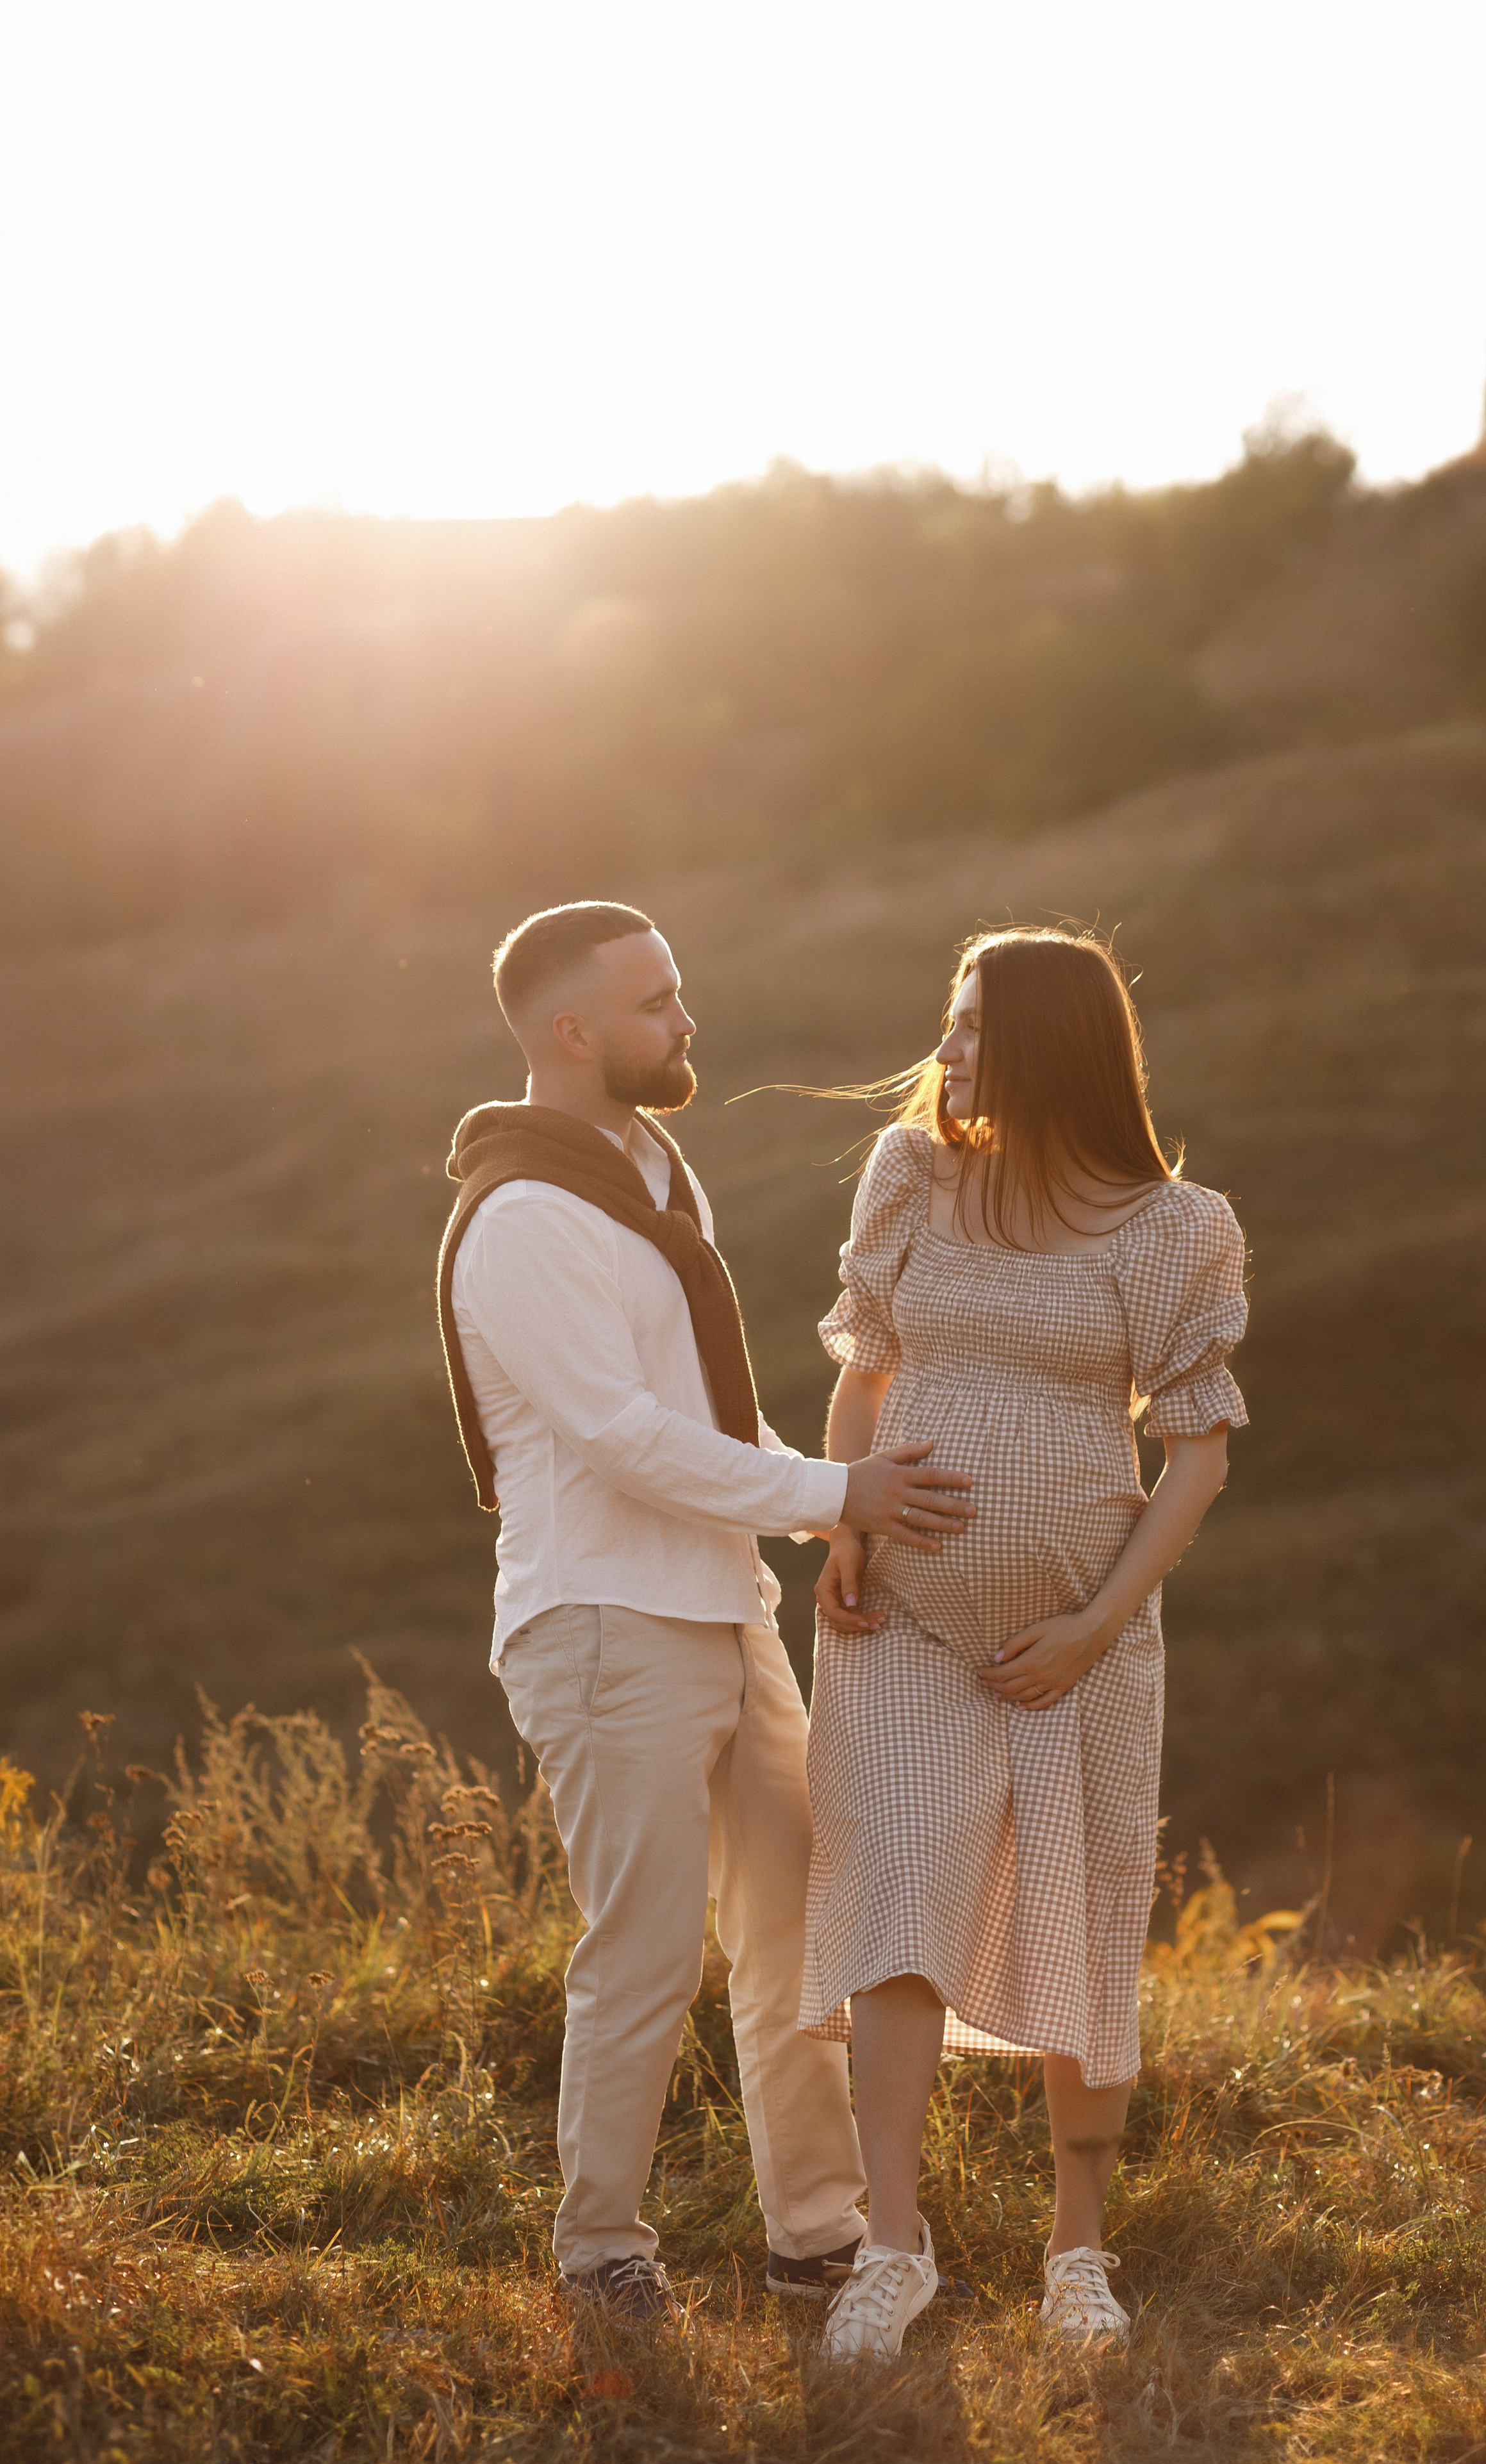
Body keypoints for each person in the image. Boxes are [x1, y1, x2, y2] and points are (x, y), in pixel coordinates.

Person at [435, 900, 977, 2320]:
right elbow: (618, 1437)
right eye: (655, 1003)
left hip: (720, 1606)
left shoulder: (656, 1178)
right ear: (573, 1032)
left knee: (797, 1928)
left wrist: (808, 1518)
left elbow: (690, 1415)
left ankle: (816, 2236)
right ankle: (601, 2251)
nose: (686, 1022)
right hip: (604, 1618)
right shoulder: (524, 1218)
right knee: (647, 1948)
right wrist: (832, 1492)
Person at [800, 925, 1248, 2361]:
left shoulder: (1175, 1227)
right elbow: (864, 1376)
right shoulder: (913, 1175)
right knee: (897, 1898)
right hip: (907, 1626)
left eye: (979, 1024)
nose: (948, 1049)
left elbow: (1194, 1456)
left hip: (1080, 1643)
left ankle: (1076, 2257)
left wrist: (1090, 1626)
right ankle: (889, 2248)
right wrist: (847, 1527)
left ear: (1058, 1040)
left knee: (1085, 1911)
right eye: (951, 1017)